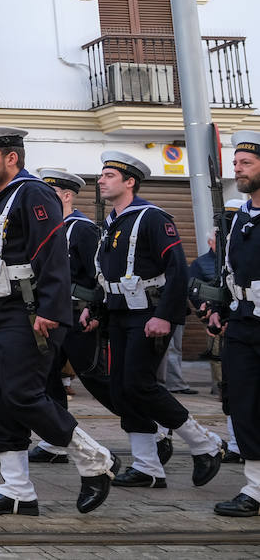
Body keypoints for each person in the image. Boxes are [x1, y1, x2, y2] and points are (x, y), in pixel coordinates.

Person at [0, 126, 114, 517]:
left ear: (11, 158)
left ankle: (94, 459)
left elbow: (52, 256)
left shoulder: (33, 193)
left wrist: (50, 309)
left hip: (28, 312)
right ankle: (16, 490)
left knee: (22, 395)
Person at [93, 151, 224, 490]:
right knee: (122, 390)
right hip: (120, 314)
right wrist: (93, 310)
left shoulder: (152, 217)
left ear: (129, 181)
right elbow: (106, 275)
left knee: (139, 384)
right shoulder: (111, 222)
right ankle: (148, 466)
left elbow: (178, 268)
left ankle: (205, 444)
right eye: (101, 174)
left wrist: (165, 316)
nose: (101, 180)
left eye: (109, 175)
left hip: (149, 314)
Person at [29, 168, 116, 465]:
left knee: (94, 378)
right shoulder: (45, 228)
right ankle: (54, 442)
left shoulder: (81, 229)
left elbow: (97, 275)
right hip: (51, 316)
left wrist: (96, 310)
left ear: (67, 196)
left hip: (80, 315)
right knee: (48, 378)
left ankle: (147, 426)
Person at [213, 130, 260, 516]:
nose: (238, 169)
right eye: (237, 163)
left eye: (247, 164)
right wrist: (221, 309)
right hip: (243, 323)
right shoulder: (241, 215)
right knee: (244, 405)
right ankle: (255, 489)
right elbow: (230, 271)